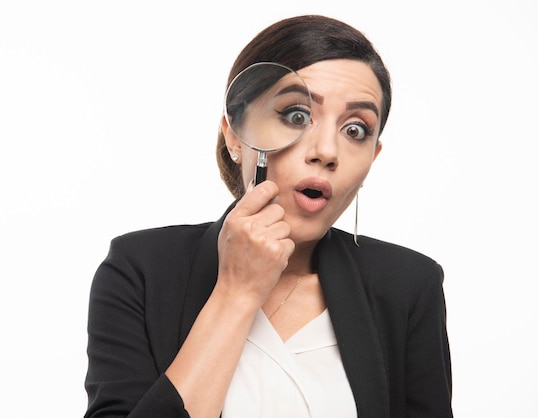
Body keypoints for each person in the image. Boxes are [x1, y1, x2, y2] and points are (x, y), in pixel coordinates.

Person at [84, 14, 453, 418]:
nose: (327, 151)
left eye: (355, 130)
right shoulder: (140, 269)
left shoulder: (409, 285)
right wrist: (236, 292)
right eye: (296, 115)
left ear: (373, 158)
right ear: (234, 135)